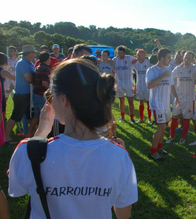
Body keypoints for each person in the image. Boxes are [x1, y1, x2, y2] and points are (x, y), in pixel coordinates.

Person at [8, 58, 138, 218]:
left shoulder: (28, 151)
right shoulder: (120, 156)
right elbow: (123, 214)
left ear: (64, 100)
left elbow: (17, 189)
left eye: (50, 95)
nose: (49, 101)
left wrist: (40, 133)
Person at [146, 48, 179, 161]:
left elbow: (171, 86)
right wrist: (162, 76)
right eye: (169, 57)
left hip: (165, 105)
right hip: (157, 104)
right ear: (162, 58)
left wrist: (177, 97)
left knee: (164, 127)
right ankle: (152, 151)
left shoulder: (169, 69)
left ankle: (159, 148)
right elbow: (149, 85)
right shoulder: (151, 70)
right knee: (161, 127)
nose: (171, 59)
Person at [5, 45, 36, 143]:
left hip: (27, 94)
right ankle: (6, 137)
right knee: (16, 116)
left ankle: (31, 134)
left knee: (29, 115)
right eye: (34, 53)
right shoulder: (22, 63)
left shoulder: (29, 63)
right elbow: (29, 79)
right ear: (30, 54)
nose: (35, 54)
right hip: (22, 94)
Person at [168, 51, 196, 145]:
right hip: (178, 98)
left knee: (187, 118)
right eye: (185, 58)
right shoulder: (178, 68)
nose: (186, 60)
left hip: (189, 99)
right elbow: (170, 77)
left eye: (189, 58)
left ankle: (183, 137)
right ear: (182, 58)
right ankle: (171, 136)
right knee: (174, 117)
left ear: (192, 60)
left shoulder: (195, 68)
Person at [26, 52, 51, 138]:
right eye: (50, 58)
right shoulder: (45, 69)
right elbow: (44, 83)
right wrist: (50, 91)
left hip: (36, 94)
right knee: (45, 117)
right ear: (47, 59)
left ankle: (29, 132)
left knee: (36, 115)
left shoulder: (37, 67)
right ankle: (42, 136)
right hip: (41, 95)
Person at [113, 46, 138, 124]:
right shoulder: (115, 60)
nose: (120, 54)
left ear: (124, 53)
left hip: (128, 83)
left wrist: (139, 55)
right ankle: (122, 116)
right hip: (119, 83)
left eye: (121, 53)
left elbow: (138, 60)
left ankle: (132, 117)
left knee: (130, 101)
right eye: (118, 53)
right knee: (121, 100)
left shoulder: (129, 58)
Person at [133, 49, 152, 123]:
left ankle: (149, 118)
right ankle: (141, 118)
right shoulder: (135, 63)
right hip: (139, 86)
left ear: (144, 55)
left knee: (148, 103)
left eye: (139, 55)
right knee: (141, 102)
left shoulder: (148, 62)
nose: (138, 56)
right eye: (137, 55)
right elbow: (133, 69)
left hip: (147, 86)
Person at [0, 53, 15, 117]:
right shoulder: (3, 71)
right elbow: (13, 78)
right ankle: (3, 126)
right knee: (2, 112)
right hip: (1, 92)